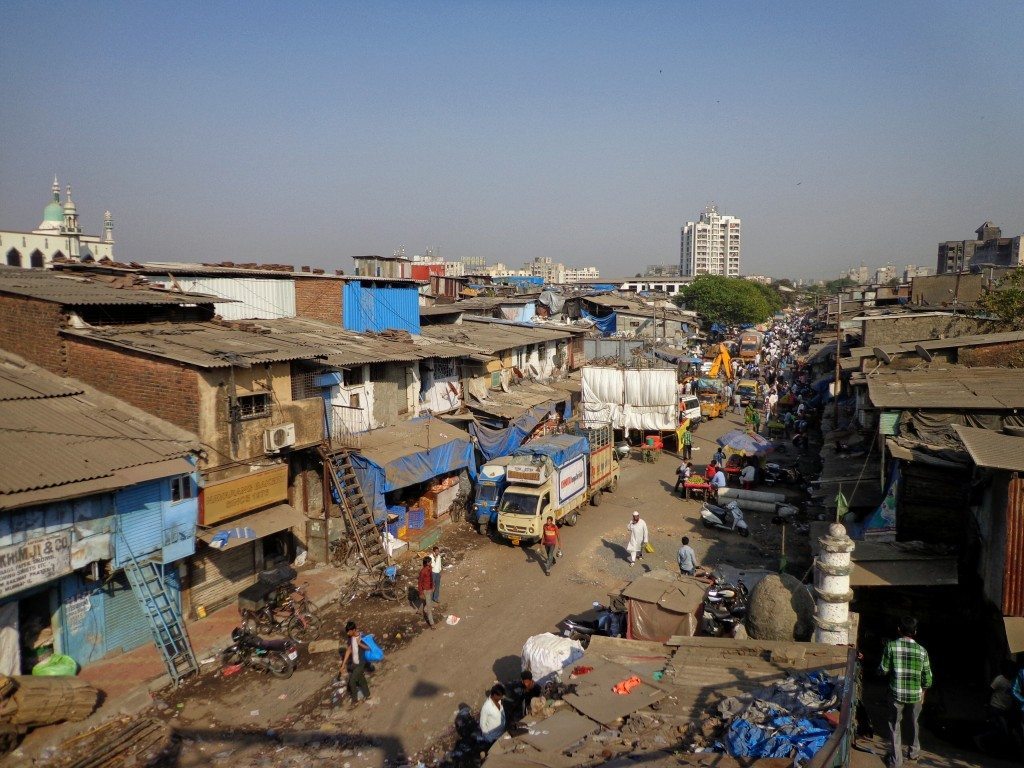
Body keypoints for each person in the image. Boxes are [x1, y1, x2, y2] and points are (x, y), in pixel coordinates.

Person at [880, 616, 932, 767]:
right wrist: (923, 693)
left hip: (896, 694)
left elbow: (883, 670)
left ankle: (896, 761)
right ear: (915, 631)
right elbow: (928, 679)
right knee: (914, 722)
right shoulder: (922, 651)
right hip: (916, 695)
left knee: (895, 724)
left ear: (898, 630)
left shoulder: (891, 647)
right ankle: (914, 753)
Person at [340, 620, 371, 708]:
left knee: (352, 681)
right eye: (347, 632)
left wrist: (359, 643)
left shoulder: (362, 637)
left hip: (361, 663)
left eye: (349, 631)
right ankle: (367, 695)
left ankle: (355, 701)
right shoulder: (350, 638)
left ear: (354, 630)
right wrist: (343, 665)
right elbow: (349, 650)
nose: (348, 633)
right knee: (361, 679)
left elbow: (368, 648)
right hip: (355, 663)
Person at [417, 556, 436, 629]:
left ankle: (420, 611)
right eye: (430, 561)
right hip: (426, 590)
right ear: (427, 563)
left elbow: (431, 578)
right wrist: (420, 592)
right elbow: (419, 582)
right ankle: (432, 623)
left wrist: (433, 586)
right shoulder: (423, 571)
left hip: (430, 588)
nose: (431, 562)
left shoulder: (430, 568)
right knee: (429, 608)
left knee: (427, 602)